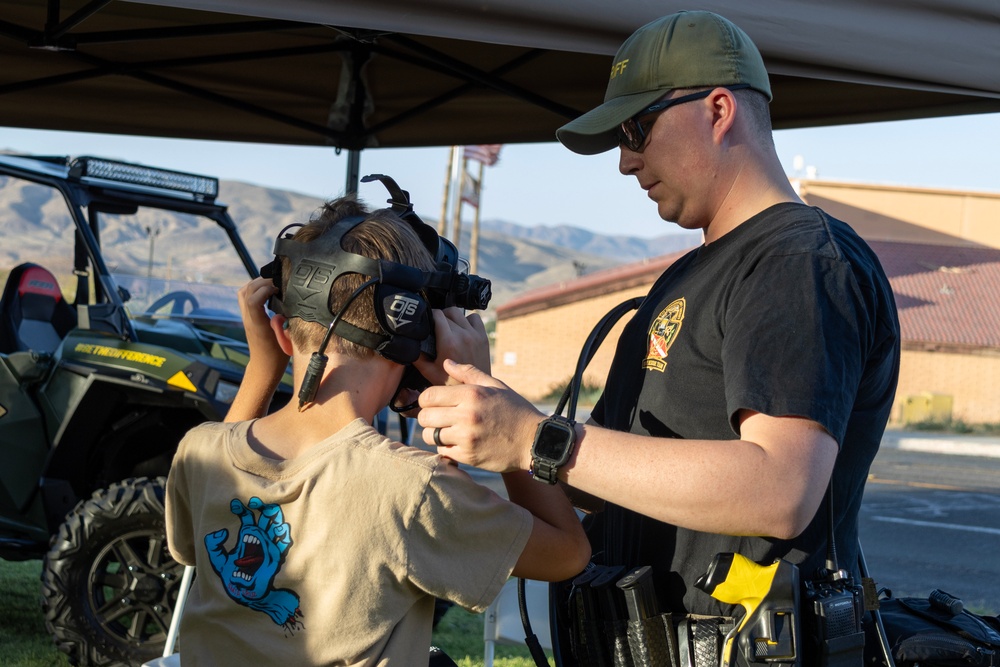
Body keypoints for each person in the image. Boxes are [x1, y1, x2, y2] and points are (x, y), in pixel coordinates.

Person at [415, 7, 900, 650]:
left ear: (719, 110)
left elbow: (780, 490)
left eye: (636, 129)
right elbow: (602, 489)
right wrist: (494, 407)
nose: (624, 161)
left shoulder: (796, 263)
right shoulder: (689, 277)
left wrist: (537, 437)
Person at [164, 196, 590, 665]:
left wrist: (263, 366)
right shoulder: (413, 489)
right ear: (413, 342)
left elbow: (193, 544)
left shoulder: (198, 451)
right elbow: (568, 553)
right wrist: (493, 404)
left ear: (284, 332)